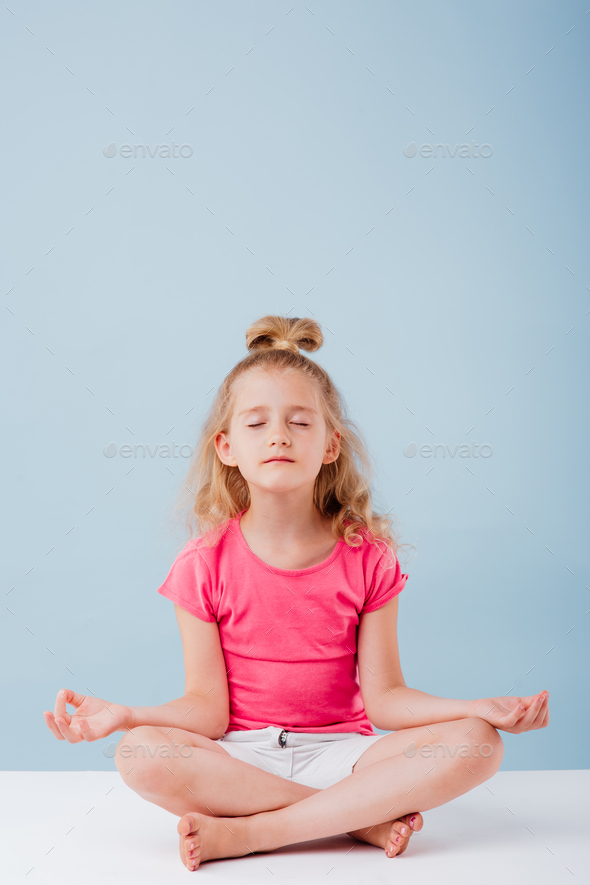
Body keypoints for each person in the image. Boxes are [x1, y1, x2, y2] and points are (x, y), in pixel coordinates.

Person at [43, 315, 550, 872]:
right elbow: (207, 713)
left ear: (331, 445)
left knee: (479, 743)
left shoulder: (368, 556)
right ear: (227, 446)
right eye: (257, 423)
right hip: (239, 758)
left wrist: (477, 708)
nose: (279, 435)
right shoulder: (202, 563)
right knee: (138, 752)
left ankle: (254, 832)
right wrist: (127, 714)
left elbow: (384, 699)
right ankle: (357, 819)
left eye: (300, 423)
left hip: (346, 755)